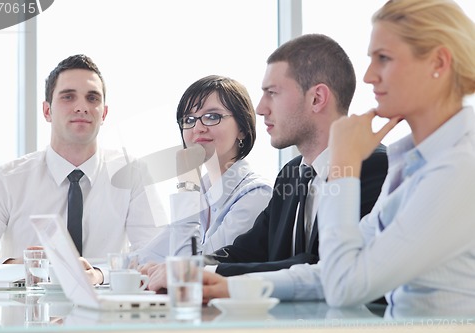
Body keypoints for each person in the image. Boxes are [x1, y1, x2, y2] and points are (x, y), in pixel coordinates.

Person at [203, 0, 475, 315]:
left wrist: (343, 166)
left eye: (383, 59)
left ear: (438, 63)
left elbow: (346, 284)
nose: (369, 76)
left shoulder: (459, 169)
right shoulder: (414, 165)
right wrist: (229, 286)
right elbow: (330, 270)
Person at [145, 34, 388, 292]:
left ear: (317, 98)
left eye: (272, 93)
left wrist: (194, 271)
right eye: (189, 120)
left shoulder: (374, 167)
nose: (260, 109)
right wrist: (186, 270)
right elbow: (250, 250)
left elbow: (322, 268)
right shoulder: (292, 174)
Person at [0, 55, 164, 271]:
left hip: (105, 303)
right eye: (68, 97)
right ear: (47, 111)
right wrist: (25, 267)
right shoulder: (7, 179)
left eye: (92, 98)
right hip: (30, 303)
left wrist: (101, 274)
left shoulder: (132, 174)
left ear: (104, 113)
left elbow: (155, 258)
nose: (81, 107)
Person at [86, 75, 273, 285]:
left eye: (212, 116)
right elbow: (149, 255)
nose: (198, 128)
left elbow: (192, 273)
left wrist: (187, 187)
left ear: (243, 128)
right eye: (189, 119)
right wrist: (99, 274)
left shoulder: (256, 194)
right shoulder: (203, 189)